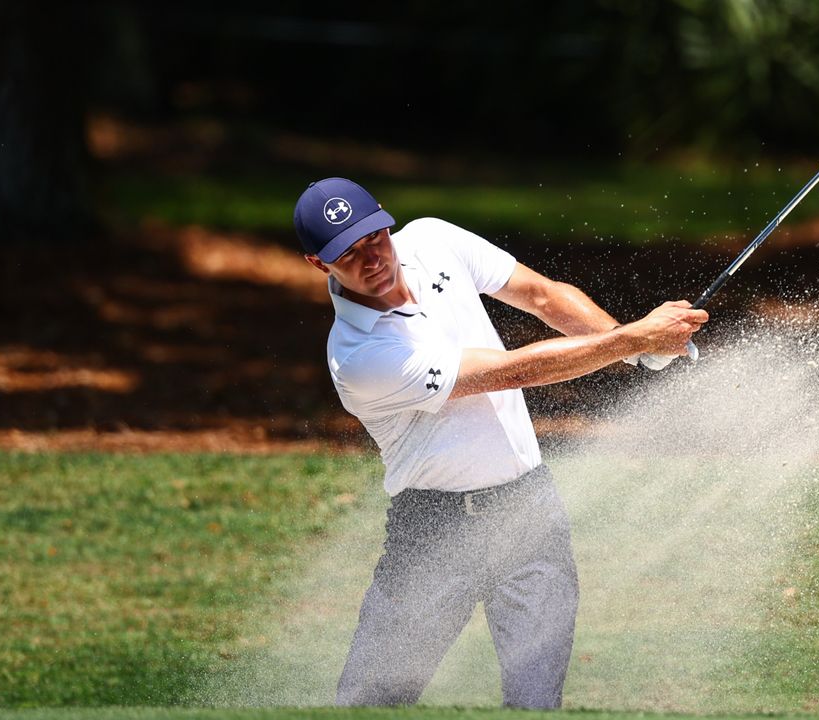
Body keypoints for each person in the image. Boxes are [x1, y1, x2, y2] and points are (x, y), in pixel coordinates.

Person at [292, 177, 707, 708]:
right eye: (348, 255)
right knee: (371, 703)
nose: (371, 259)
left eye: (375, 238)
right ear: (317, 263)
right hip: (434, 534)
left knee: (536, 704)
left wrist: (637, 349)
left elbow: (541, 295)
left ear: (386, 222)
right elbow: (511, 371)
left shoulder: (433, 240)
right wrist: (632, 339)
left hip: (529, 511)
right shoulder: (357, 356)